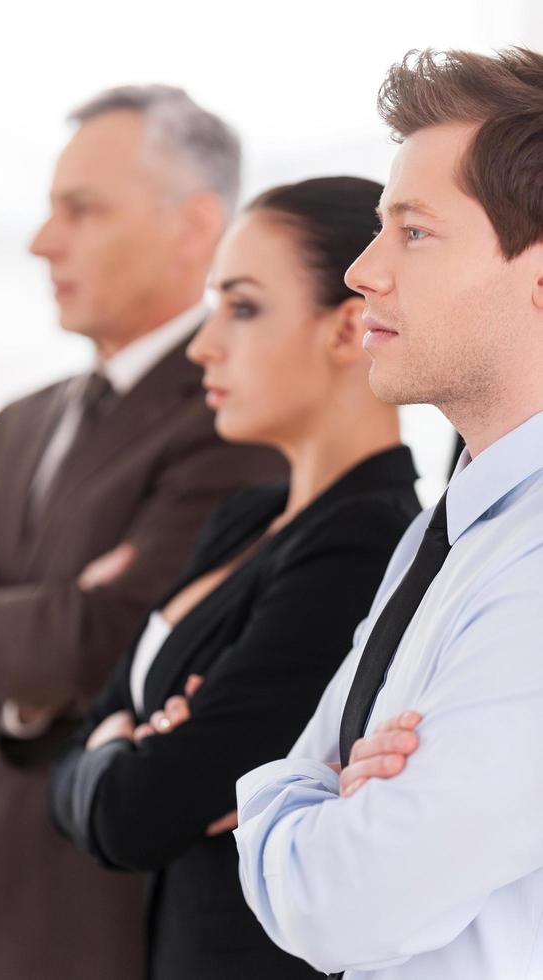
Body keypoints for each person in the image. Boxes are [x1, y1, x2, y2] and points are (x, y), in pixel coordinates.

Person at [0, 85, 284, 980]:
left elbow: (106, 646)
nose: (42, 240)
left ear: (195, 228)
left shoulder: (241, 424)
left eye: (83, 209)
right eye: (46, 209)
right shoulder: (18, 424)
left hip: (116, 925)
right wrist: (27, 682)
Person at [49, 176, 421, 980]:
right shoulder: (246, 518)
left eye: (243, 307)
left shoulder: (365, 545)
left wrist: (120, 746)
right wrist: (126, 745)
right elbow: (85, 769)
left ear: (349, 325)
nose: (201, 344)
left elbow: (138, 815)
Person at [234, 47, 543, 980]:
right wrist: (320, 795)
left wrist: (293, 800)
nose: (363, 272)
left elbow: (337, 908)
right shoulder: (450, 527)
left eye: (414, 232)